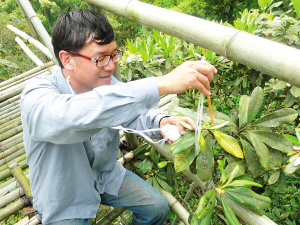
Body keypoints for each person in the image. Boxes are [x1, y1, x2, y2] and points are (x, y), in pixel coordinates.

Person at [21, 8, 217, 225]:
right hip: (64, 193)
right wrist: (160, 84)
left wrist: (160, 121)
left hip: (104, 174)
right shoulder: (36, 96)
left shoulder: (107, 83)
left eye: (114, 55)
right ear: (67, 59)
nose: (112, 66)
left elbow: (131, 112)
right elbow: (72, 116)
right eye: (101, 58)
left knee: (156, 208)